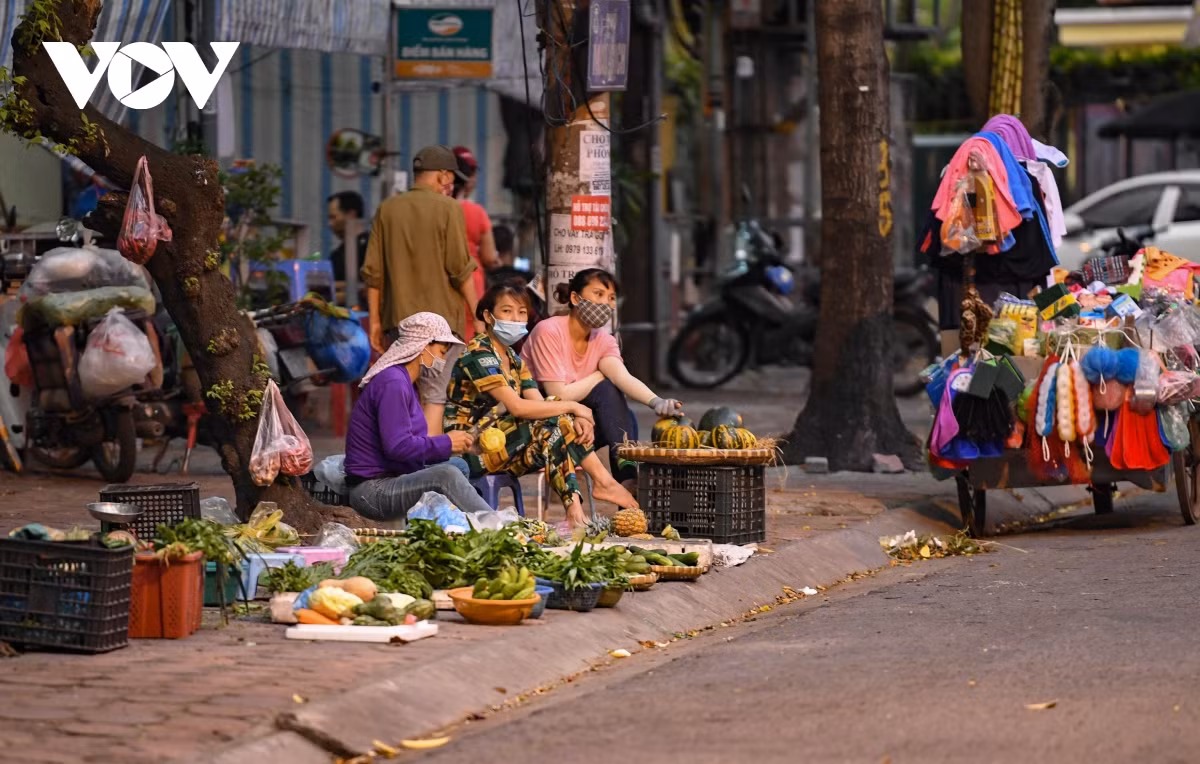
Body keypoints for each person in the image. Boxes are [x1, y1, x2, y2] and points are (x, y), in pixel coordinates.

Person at [444, 283, 639, 528]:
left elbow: (539, 403)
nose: (516, 318)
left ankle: (574, 513)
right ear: (487, 316)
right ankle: (602, 483)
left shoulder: (514, 360)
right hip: (470, 449)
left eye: (522, 312)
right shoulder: (479, 354)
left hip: (504, 447)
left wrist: (573, 415)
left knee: (555, 428)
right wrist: (576, 408)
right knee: (556, 420)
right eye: (507, 311)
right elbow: (518, 408)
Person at [521, 268, 683, 490]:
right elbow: (558, 395)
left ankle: (627, 485)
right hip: (538, 431)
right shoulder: (548, 331)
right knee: (606, 389)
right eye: (598, 294)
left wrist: (657, 402)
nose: (605, 303)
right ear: (575, 298)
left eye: (611, 298)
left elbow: (622, 377)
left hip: (578, 428)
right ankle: (625, 482)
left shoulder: (603, 340)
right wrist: (599, 375)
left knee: (622, 412)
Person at [362, 144, 483, 435]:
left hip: (399, 321)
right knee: (435, 396)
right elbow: (459, 268)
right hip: (441, 327)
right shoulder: (449, 208)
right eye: (450, 178)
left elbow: (373, 274)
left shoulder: (386, 210)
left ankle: (404, 464)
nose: (451, 184)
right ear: (442, 176)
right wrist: (479, 316)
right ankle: (428, 468)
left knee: (403, 392)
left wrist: (376, 322)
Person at [344, 312, 495, 522]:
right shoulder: (393, 383)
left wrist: (456, 445)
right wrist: (447, 442)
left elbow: (409, 446)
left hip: (393, 477)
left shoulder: (406, 382)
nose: (443, 360)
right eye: (441, 352)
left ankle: (451, 526)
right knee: (446, 475)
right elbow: (397, 447)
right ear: (423, 346)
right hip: (371, 491)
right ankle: (499, 528)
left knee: (458, 466)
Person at [452, 146, 500, 333]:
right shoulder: (476, 212)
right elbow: (489, 257)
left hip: (441, 283)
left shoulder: (433, 212)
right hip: (472, 281)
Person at [327, 191, 370, 286]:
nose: (330, 224)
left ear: (351, 215)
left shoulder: (371, 247)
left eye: (333, 217)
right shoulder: (336, 255)